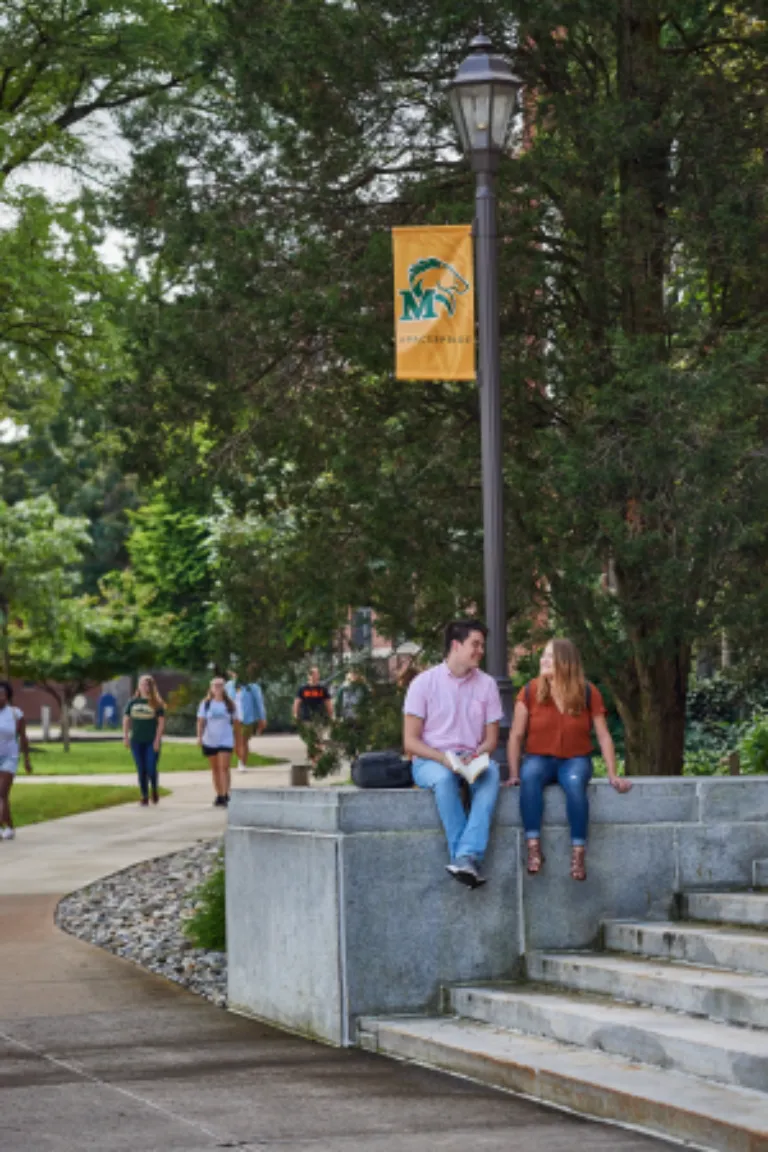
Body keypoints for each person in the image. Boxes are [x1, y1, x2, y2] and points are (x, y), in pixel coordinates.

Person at [506, 637, 632, 882]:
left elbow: (604, 736)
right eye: (543, 655)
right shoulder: (530, 691)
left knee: (575, 785)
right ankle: (533, 848)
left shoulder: (587, 692)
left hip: (574, 759)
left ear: (566, 661)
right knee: (529, 778)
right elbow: (516, 735)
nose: (543, 660)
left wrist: (612, 774)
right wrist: (513, 773)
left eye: (550, 656)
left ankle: (578, 853)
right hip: (539, 759)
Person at [403, 620, 503, 889]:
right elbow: (410, 742)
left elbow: (491, 740)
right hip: (430, 759)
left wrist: (477, 754)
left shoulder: (487, 685)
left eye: (482, 645)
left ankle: (464, 857)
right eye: (475, 644)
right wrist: (443, 758)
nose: (481, 650)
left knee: (492, 773)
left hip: (471, 757)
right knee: (445, 780)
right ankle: (466, 857)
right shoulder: (423, 684)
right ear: (456, 646)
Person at [123, 674, 166, 807]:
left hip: (151, 740)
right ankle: (144, 795)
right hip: (136, 740)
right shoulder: (132, 702)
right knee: (141, 768)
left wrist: (157, 740)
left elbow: (161, 723)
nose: (145, 687)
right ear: (139, 686)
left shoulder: (157, 704)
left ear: (151, 687)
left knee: (151, 767)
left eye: (147, 685)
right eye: (142, 684)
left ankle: (154, 789)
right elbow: (126, 719)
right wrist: (125, 736)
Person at [197, 676, 236, 806]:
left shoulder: (229, 704)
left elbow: (236, 722)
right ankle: (219, 794)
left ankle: (226, 794)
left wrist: (237, 738)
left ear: (224, 688)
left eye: (220, 686)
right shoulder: (206, 704)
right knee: (215, 769)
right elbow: (201, 721)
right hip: (210, 739)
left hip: (225, 739)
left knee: (224, 767)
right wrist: (199, 737)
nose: (218, 688)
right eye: (215, 686)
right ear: (211, 688)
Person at [0, 680, 32, 840]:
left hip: (9, 757)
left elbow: (24, 738)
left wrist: (27, 759)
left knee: (2, 792)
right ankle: (9, 827)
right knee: (2, 796)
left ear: (7, 696)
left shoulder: (15, 713)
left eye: (2, 694)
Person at [225, 667, 267, 772]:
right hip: (233, 718)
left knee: (243, 741)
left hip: (247, 718)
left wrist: (262, 718)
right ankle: (240, 759)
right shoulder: (229, 686)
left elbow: (259, 704)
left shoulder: (252, 687)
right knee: (236, 742)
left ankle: (242, 763)